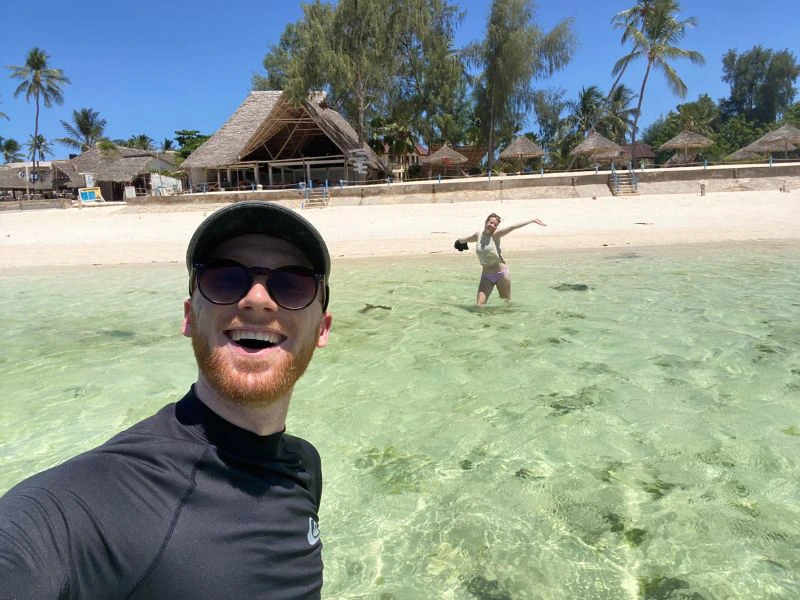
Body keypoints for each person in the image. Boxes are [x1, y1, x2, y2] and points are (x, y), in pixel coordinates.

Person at [0, 201, 333, 599]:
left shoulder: (304, 466)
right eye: (225, 279)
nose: (257, 300)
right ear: (190, 317)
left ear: (322, 330)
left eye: (293, 284)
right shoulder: (86, 505)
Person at [454, 212, 547, 305]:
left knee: (506, 304)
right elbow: (467, 238)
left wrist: (532, 220)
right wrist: (459, 241)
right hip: (486, 275)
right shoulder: (478, 235)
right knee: (479, 306)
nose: (492, 226)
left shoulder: (496, 235)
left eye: (495, 225)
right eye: (491, 223)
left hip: (501, 275)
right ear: (486, 222)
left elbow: (513, 227)